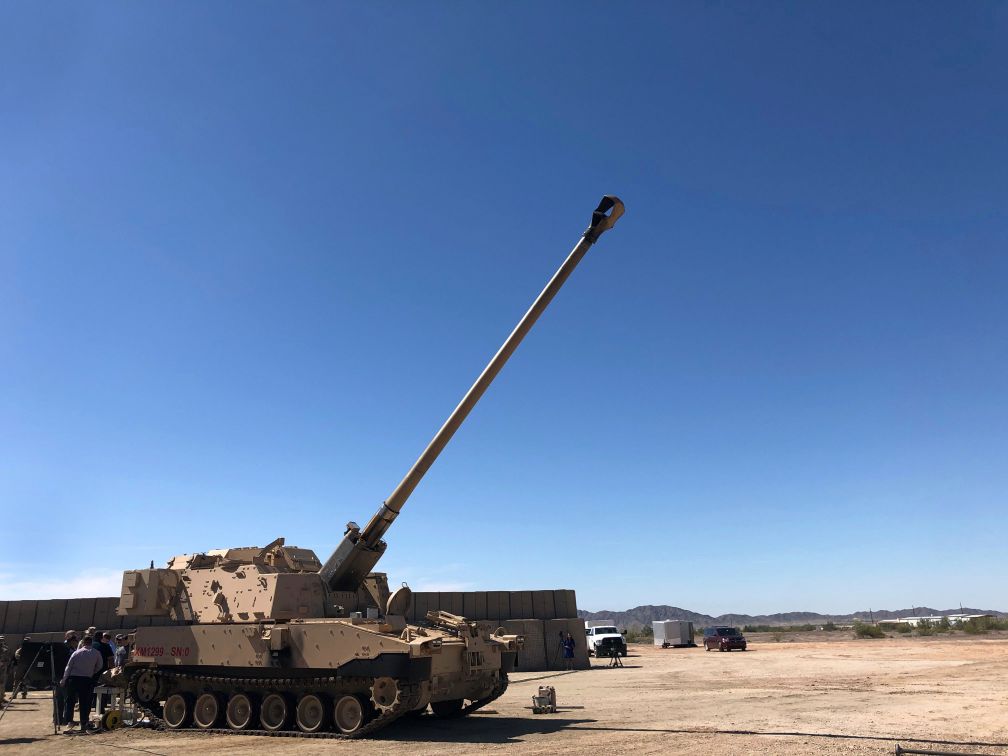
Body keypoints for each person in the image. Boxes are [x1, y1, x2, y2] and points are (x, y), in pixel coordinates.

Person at [61, 635, 103, 733]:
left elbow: (68, 667)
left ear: (83, 642)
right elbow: (100, 666)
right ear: (91, 642)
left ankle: (69, 721)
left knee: (70, 701)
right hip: (86, 679)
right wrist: (93, 671)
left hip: (73, 678)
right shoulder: (96, 653)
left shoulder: (76, 653)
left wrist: (64, 679)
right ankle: (84, 722)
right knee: (85, 702)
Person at [54, 631, 80, 725]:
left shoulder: (59, 648)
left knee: (59, 699)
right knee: (68, 699)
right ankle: (67, 719)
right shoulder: (69, 650)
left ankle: (57, 719)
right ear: (72, 640)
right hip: (66, 677)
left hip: (57, 676)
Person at [93, 634, 115, 714]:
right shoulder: (106, 646)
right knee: (102, 691)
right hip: (102, 672)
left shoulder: (90, 646)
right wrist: (112, 671)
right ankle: (100, 709)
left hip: (90, 673)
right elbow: (111, 660)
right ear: (101, 637)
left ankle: (92, 706)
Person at [0, 635, 10, 706]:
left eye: (2, 640)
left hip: (2, 669)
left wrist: (4, 663)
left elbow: (8, 659)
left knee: (2, 684)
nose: (1, 641)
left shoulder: (5, 649)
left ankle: (1, 698)